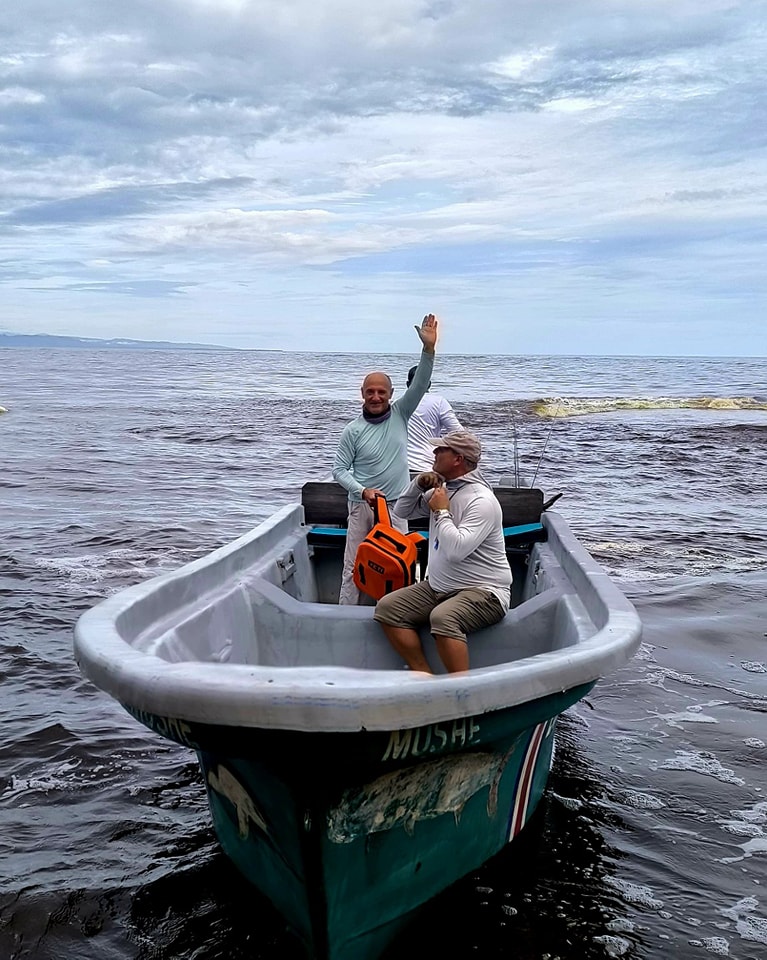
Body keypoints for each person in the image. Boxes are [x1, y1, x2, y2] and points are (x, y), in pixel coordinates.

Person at [373, 430, 511, 673]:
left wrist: (441, 512)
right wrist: (417, 484)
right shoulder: (449, 490)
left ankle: (460, 692)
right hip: (440, 587)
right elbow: (401, 512)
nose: (434, 453)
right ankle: (423, 675)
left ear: (458, 459)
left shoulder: (482, 500)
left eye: (441, 450)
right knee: (388, 609)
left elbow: (457, 550)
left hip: (485, 592)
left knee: (443, 617)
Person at [333, 314, 439, 605]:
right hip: (361, 506)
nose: (376, 396)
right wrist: (361, 491)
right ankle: (345, 614)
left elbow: (420, 384)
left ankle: (397, 616)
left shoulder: (401, 413)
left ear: (391, 394)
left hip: (396, 506)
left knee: (401, 565)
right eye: (370, 392)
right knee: (352, 565)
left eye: (382, 392)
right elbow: (339, 470)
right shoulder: (352, 430)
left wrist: (428, 349)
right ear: (362, 395)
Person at [404, 365, 463, 472]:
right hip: (428, 466)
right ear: (429, 384)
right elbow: (459, 434)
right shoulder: (439, 402)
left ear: (408, 384)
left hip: (402, 468)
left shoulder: (398, 404)